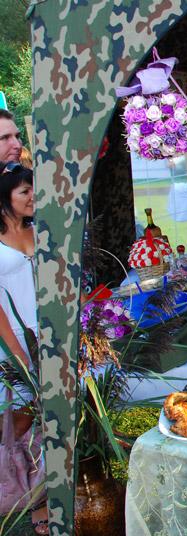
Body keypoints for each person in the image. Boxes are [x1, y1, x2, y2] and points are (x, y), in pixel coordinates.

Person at [0, 162, 46, 534]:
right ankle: (24, 497)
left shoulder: (39, 229)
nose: (33, 196)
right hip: (10, 338)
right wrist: (17, 353)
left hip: (44, 333)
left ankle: (47, 494)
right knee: (21, 419)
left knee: (49, 416)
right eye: (24, 191)